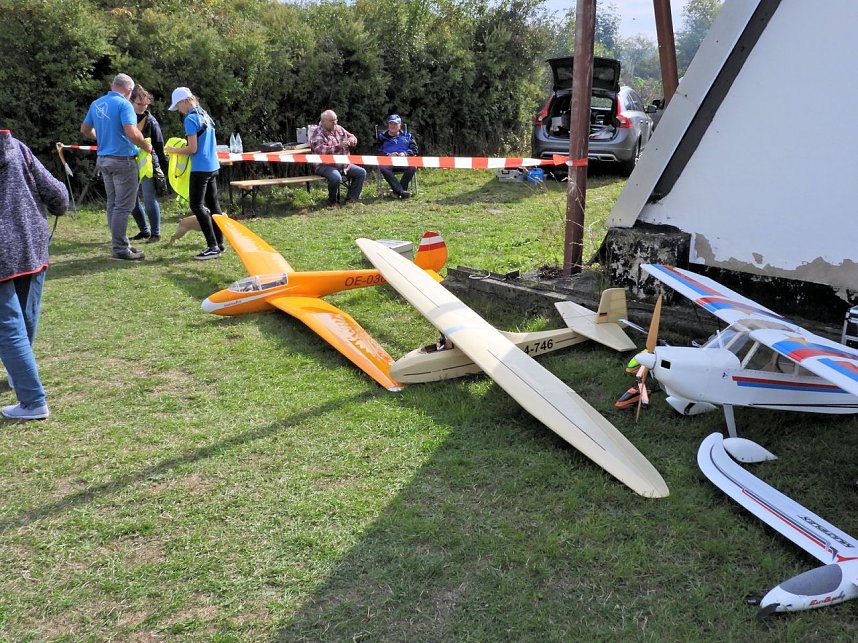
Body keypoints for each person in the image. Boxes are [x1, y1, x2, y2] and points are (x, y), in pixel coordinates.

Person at [0, 130, 68, 420]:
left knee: (8, 325)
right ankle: (20, 373)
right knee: (23, 316)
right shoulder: (15, 146)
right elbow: (56, 193)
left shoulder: (16, 145)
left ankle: (32, 400)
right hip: (31, 241)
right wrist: (59, 206)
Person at [81, 73, 153, 260]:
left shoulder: (96, 103)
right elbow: (132, 133)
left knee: (113, 204)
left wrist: (103, 136)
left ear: (112, 85)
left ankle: (120, 243)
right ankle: (120, 248)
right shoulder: (124, 104)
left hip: (103, 159)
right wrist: (146, 145)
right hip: (123, 161)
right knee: (123, 206)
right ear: (129, 91)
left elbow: (85, 130)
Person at [164, 87, 225, 260]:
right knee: (214, 206)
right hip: (213, 166)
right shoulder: (205, 115)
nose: (179, 111)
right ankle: (219, 243)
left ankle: (212, 246)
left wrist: (173, 150)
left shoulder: (190, 119)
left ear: (185, 101)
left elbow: (192, 148)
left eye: (178, 107)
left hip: (200, 168)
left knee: (196, 205)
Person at [129, 85, 169, 243]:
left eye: (146, 104)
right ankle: (144, 230)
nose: (144, 107)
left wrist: (163, 168)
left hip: (148, 165)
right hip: (130, 163)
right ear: (131, 102)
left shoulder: (152, 122)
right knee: (131, 200)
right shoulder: (127, 117)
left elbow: (159, 145)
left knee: (149, 198)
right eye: (140, 104)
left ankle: (156, 233)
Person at [309, 110, 366, 206]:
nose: (335, 122)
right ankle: (332, 202)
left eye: (336, 120)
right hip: (324, 165)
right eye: (332, 120)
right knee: (336, 177)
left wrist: (351, 141)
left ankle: (351, 199)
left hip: (343, 164)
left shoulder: (339, 129)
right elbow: (321, 151)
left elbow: (352, 137)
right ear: (323, 122)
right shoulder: (317, 134)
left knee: (361, 172)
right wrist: (339, 146)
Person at [376, 114, 418, 199]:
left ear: (400, 125)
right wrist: (388, 155)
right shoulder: (382, 137)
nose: (392, 126)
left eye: (395, 124)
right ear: (388, 125)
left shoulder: (407, 136)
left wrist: (404, 154)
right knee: (383, 168)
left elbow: (414, 149)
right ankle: (401, 191)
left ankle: (399, 191)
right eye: (391, 123)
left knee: (413, 166)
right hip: (388, 161)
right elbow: (377, 151)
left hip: (404, 161)